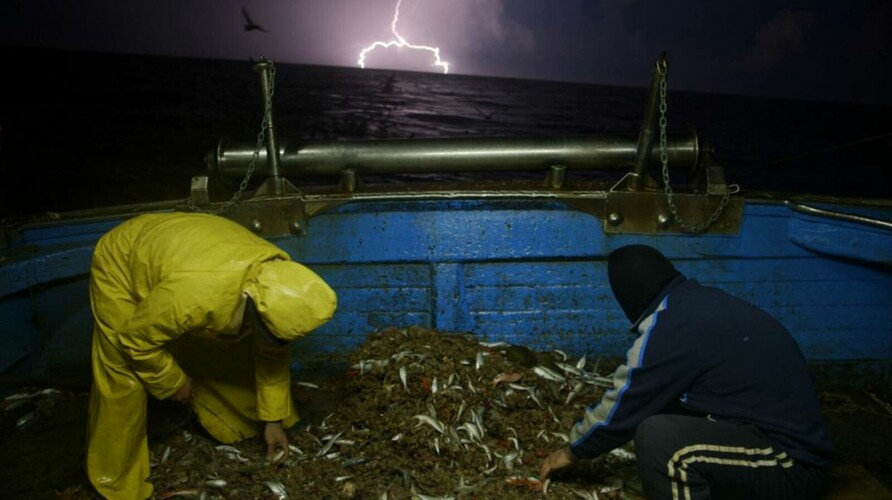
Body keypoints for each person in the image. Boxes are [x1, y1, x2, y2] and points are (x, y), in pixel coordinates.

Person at [540, 244, 833, 499]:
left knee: (659, 441)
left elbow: (625, 403)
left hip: (791, 465)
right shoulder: (697, 303)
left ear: (628, 294)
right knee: (661, 407)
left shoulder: (670, 327)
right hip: (780, 439)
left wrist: (572, 451)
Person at [85, 212, 337, 499]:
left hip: (186, 260)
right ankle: (116, 484)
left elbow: (271, 353)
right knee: (122, 374)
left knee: (223, 346)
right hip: (123, 259)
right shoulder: (194, 294)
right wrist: (173, 383)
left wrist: (273, 420)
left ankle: (238, 426)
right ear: (249, 302)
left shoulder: (281, 283)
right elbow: (134, 339)